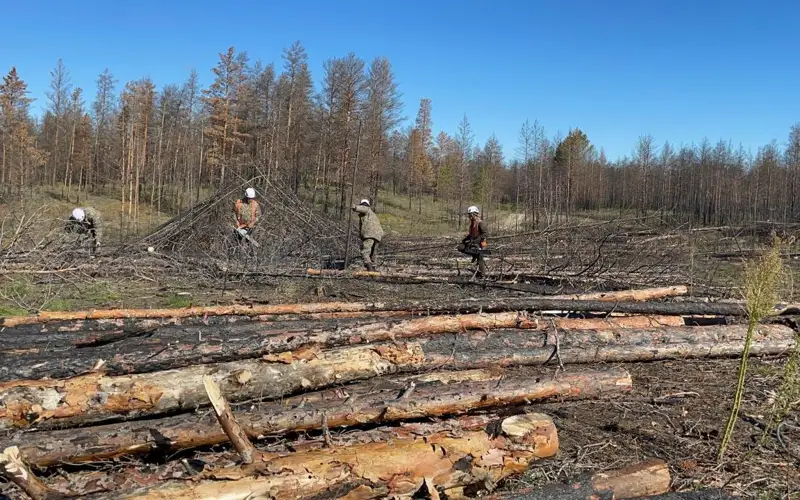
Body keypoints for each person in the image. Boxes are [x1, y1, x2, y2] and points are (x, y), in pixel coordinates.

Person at [351, 198, 384, 271]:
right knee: (373, 254)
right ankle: (374, 269)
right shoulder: (372, 214)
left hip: (370, 234)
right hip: (378, 235)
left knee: (365, 252)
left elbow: (364, 208)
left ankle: (370, 269)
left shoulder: (367, 210)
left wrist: (355, 207)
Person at [457, 205, 488, 276]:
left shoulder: (481, 223)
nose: (470, 217)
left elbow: (485, 234)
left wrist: (476, 241)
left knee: (480, 256)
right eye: (469, 215)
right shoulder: (472, 224)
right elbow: (471, 234)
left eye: (471, 215)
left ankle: (483, 274)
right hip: (473, 242)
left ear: (475, 214)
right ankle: (474, 254)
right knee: (460, 247)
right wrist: (465, 239)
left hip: (482, 242)